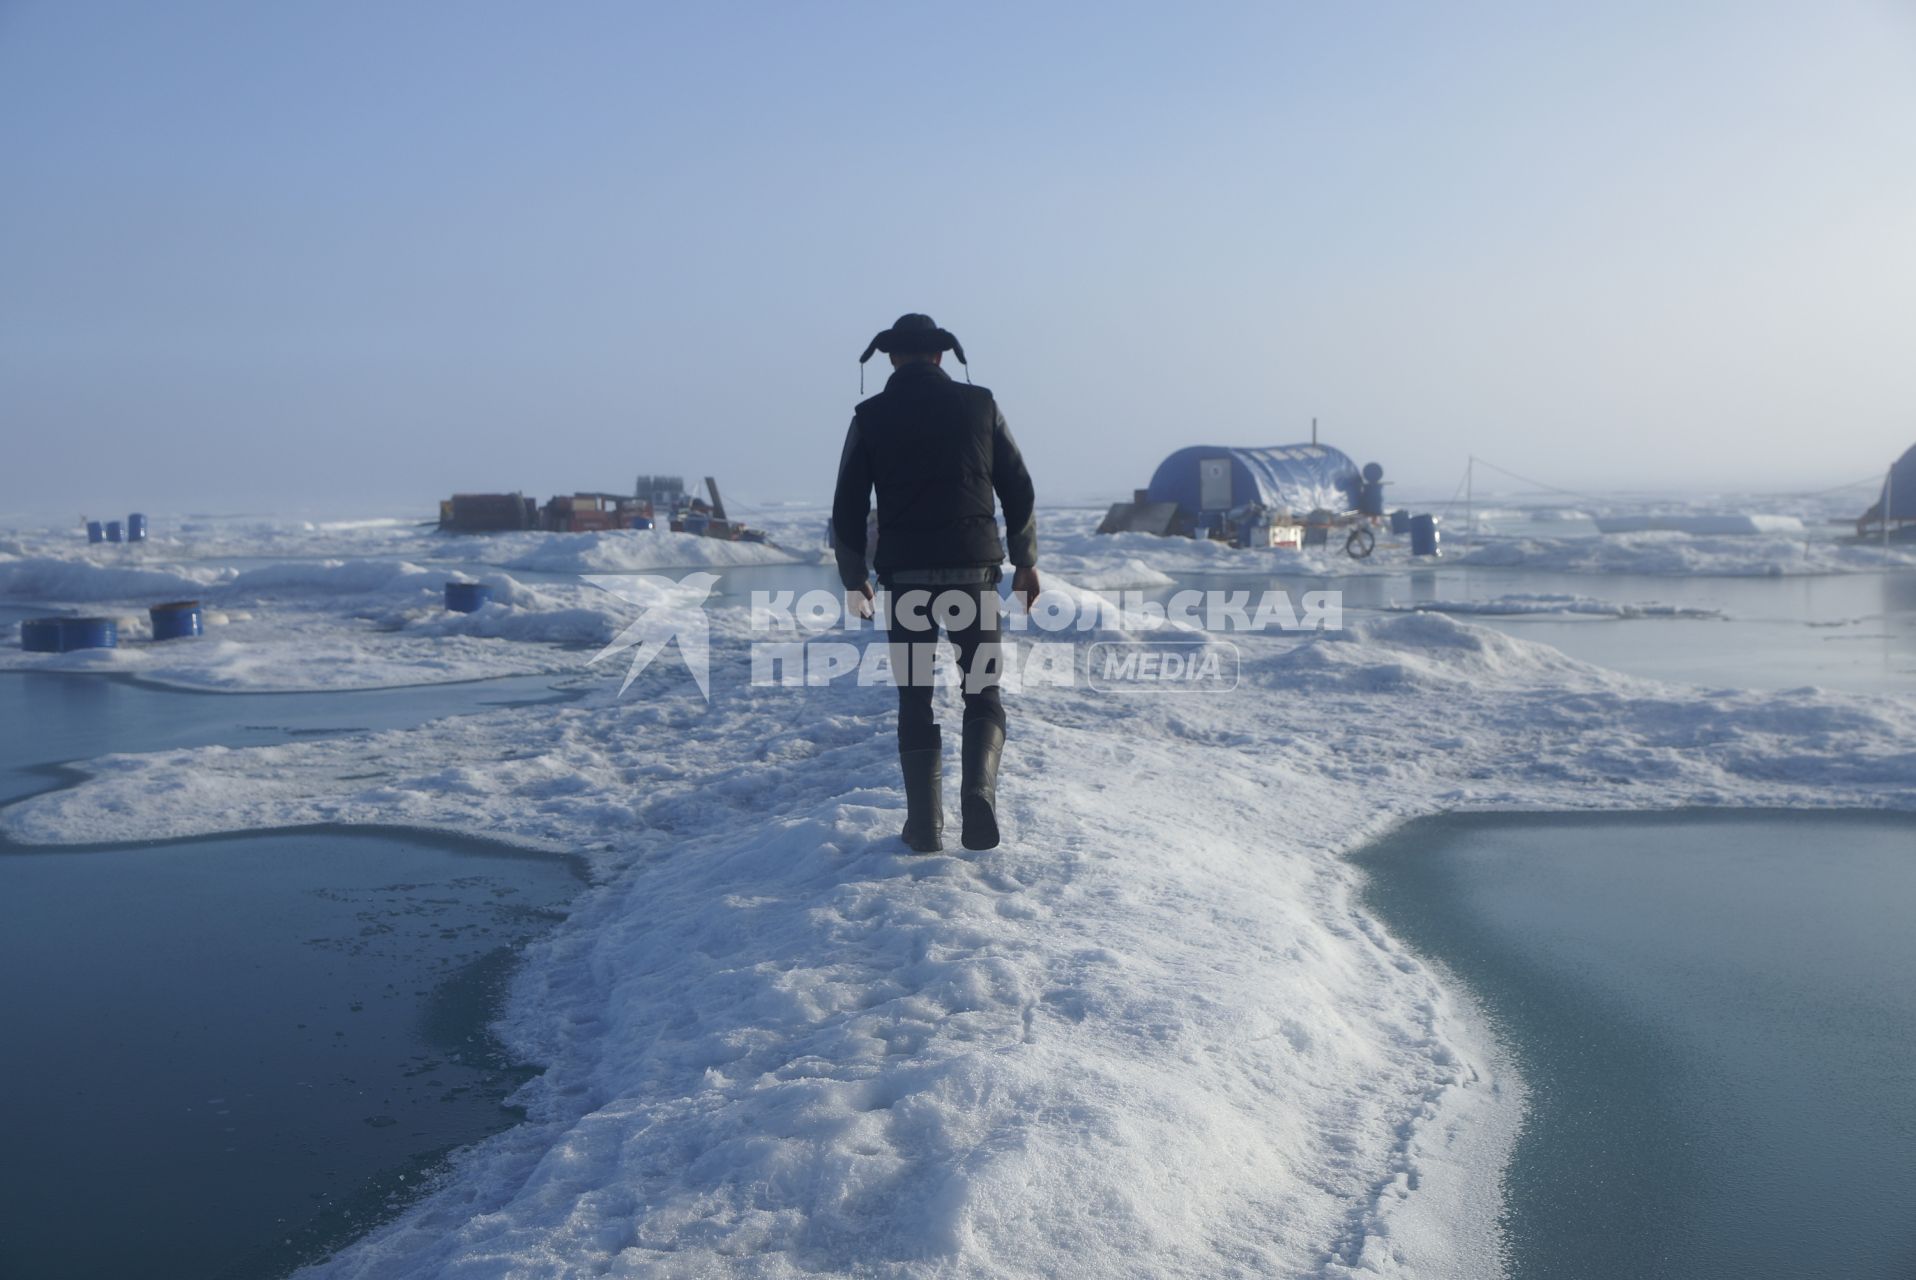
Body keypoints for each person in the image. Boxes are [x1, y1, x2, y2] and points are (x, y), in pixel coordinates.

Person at [832, 314, 1039, 853]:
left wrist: (855, 578)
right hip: (974, 575)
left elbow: (848, 506)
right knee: (983, 691)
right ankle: (978, 796)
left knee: (915, 697)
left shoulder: (869, 415)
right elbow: (1019, 488)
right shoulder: (981, 404)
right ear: (941, 357)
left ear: (893, 358)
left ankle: (925, 827)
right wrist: (1027, 560)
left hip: (908, 580)